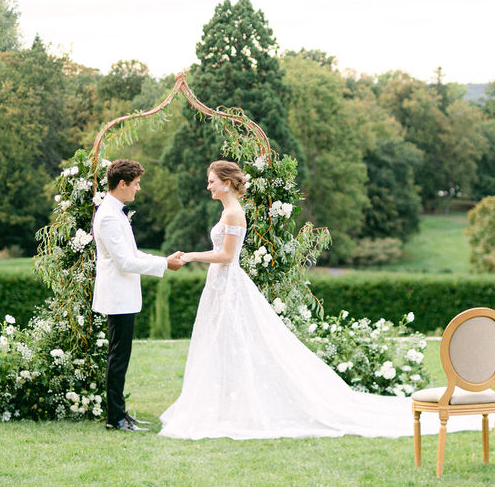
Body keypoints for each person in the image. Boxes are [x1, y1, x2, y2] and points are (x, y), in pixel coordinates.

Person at [159, 159, 474, 440]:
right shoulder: (228, 211)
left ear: (226, 182)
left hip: (229, 284)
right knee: (222, 343)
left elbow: (227, 255)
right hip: (220, 286)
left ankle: (235, 406)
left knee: (235, 341)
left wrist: (189, 256)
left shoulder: (233, 213)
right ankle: (224, 403)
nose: (208, 185)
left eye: (211, 180)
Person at [92, 158, 184, 432]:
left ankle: (120, 414)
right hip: (117, 297)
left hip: (124, 296)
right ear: (122, 184)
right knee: (118, 358)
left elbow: (132, 255)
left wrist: (162, 259)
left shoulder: (115, 211)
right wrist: (164, 264)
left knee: (121, 356)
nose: (138, 189)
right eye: (136, 183)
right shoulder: (108, 215)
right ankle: (115, 418)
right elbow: (125, 263)